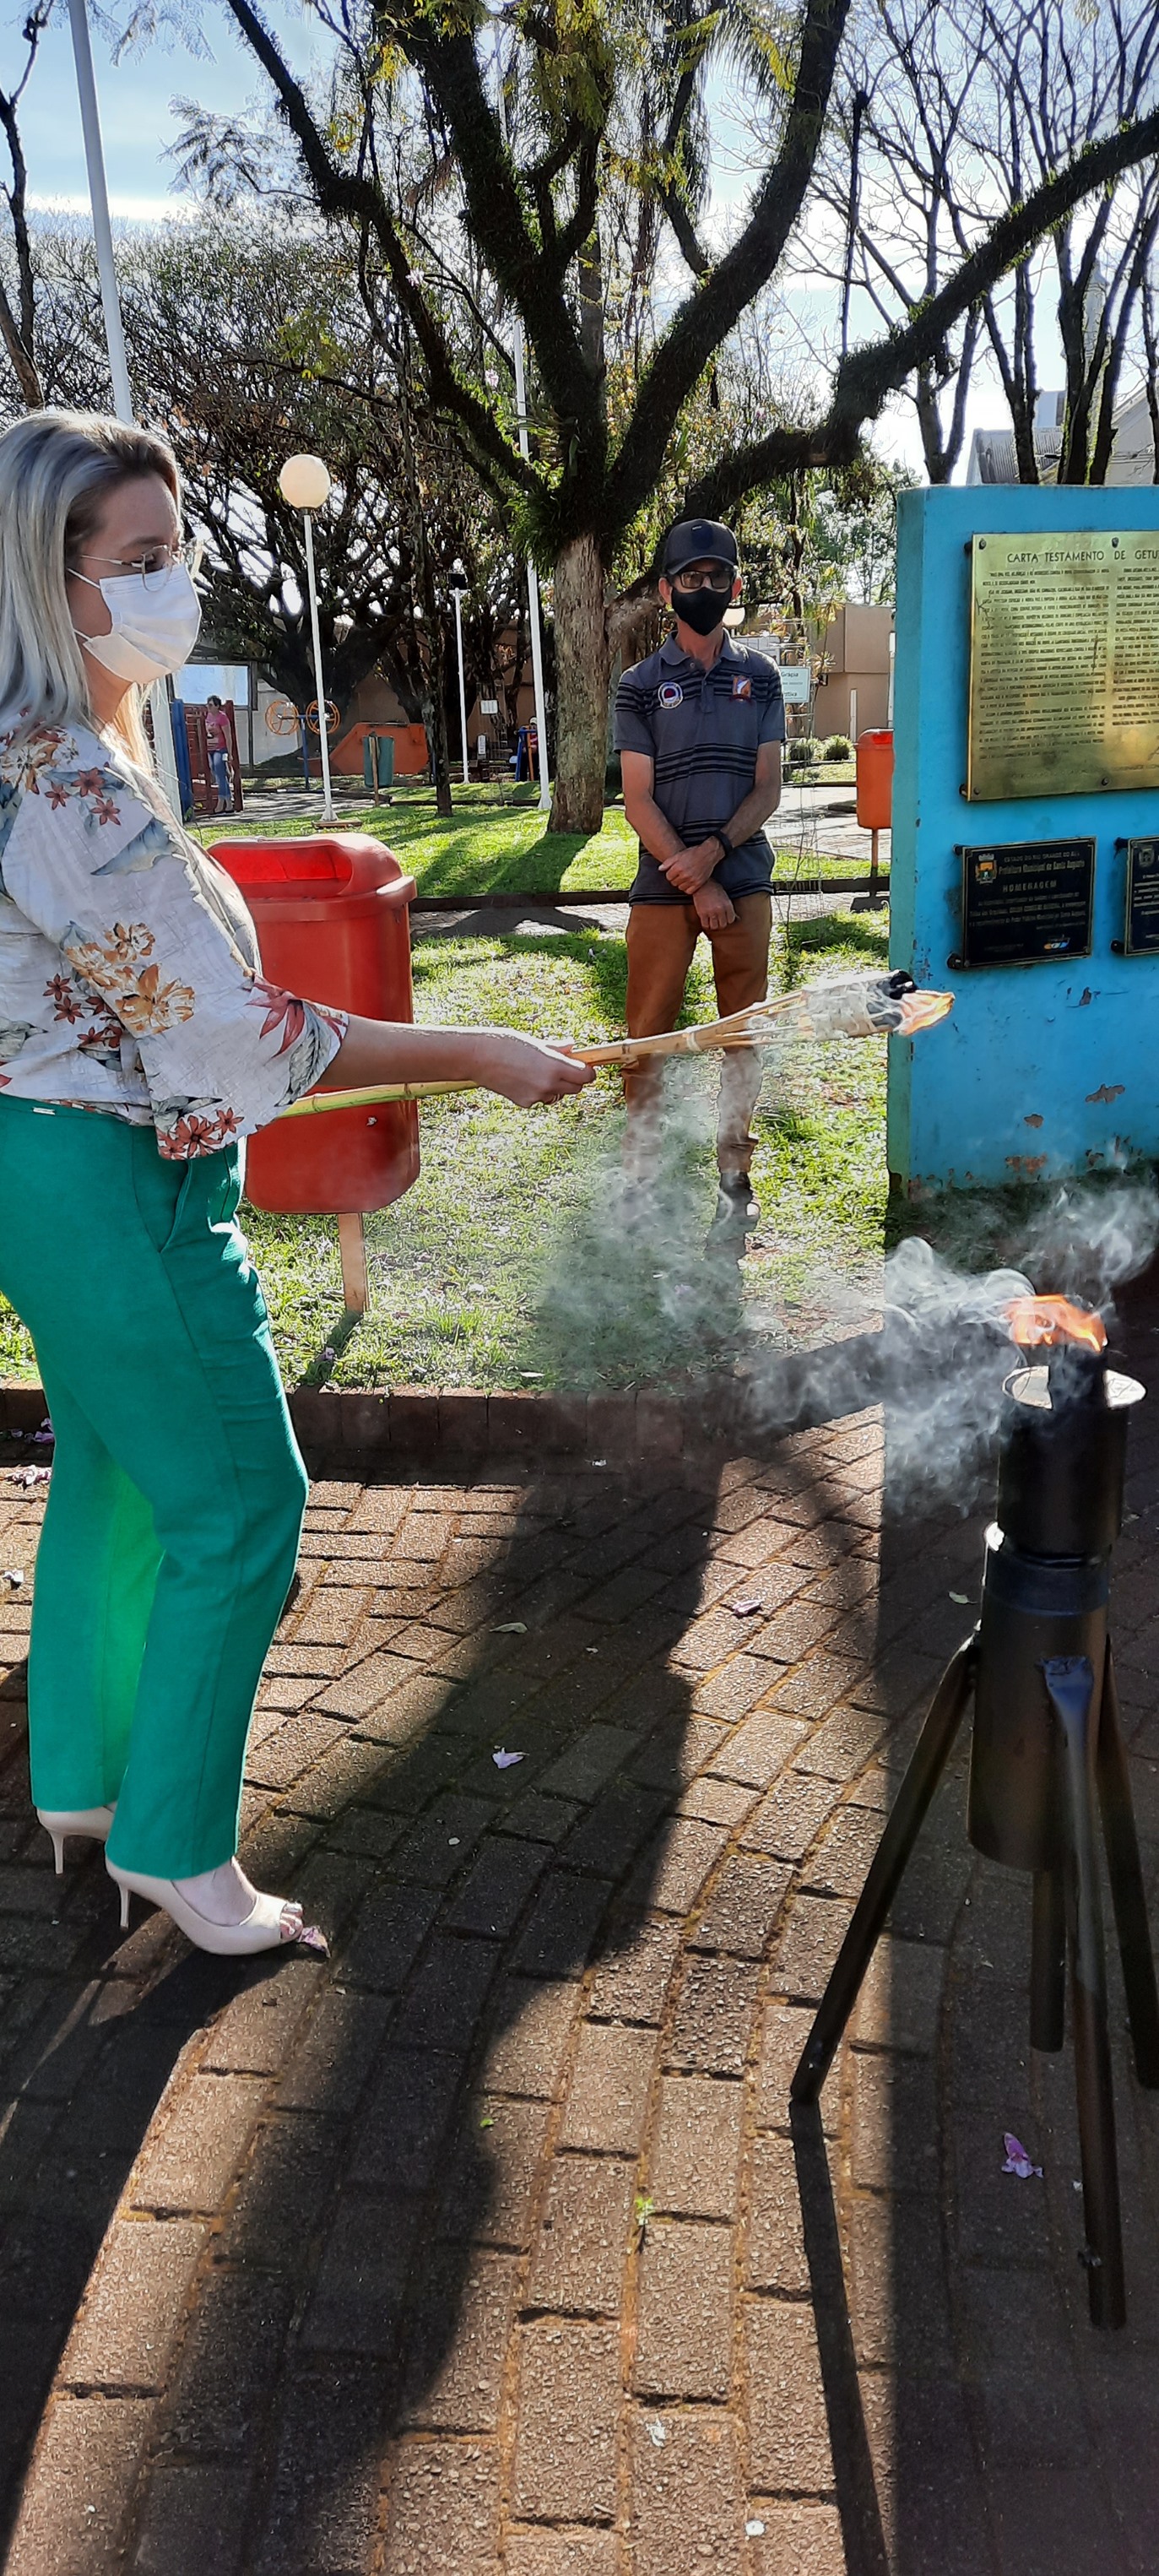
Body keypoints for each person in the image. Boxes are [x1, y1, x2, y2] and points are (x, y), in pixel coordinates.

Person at [0, 409, 592, 1957]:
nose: (175, 584)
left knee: (116, 1467)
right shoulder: (68, 781)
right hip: (116, 1184)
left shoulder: (41, 759)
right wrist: (477, 1052)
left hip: (45, 1174)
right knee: (244, 1503)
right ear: (53, 581)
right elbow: (235, 1033)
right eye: (142, 558)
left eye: (176, 550)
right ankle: (179, 1849)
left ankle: (83, 1785)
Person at [614, 517, 785, 1234]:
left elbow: (768, 787)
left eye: (717, 576)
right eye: (690, 577)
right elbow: (636, 799)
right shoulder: (638, 686)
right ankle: (640, 1176)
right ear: (666, 590)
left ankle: (734, 1175)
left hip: (743, 883)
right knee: (645, 1038)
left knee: (741, 1035)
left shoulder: (761, 677)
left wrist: (713, 856)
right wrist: (695, 879)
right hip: (663, 887)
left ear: (734, 585)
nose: (704, 587)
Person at [203, 692, 232, 813]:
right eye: (208, 705)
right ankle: (229, 802)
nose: (208, 707)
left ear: (217, 706)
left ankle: (221, 802)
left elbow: (228, 736)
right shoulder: (208, 716)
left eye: (210, 705)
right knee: (217, 774)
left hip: (221, 749)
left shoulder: (222, 717)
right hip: (210, 748)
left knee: (220, 774)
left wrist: (230, 753)